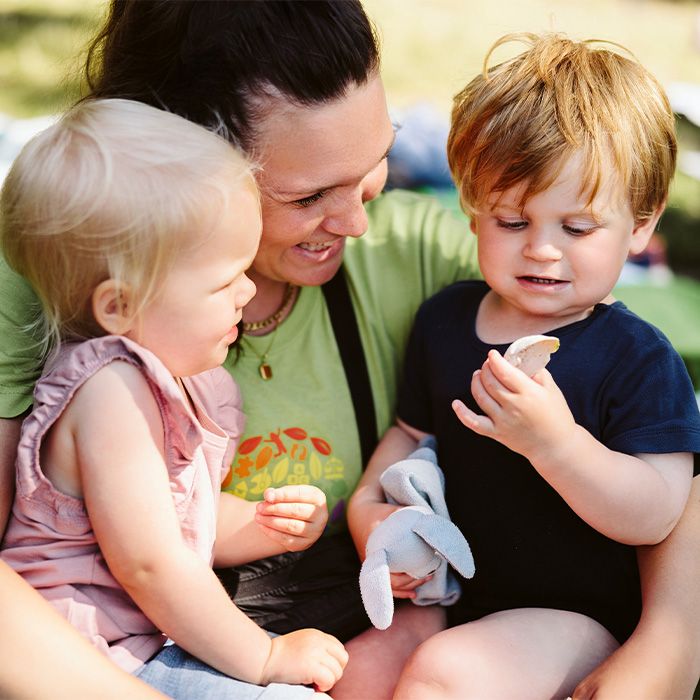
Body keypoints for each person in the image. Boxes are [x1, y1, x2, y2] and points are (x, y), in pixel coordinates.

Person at [0, 3, 699, 698]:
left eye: (374, 165)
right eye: (309, 195)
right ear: (181, 167)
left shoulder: (435, 257)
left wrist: (669, 642)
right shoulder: (46, 274)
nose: (358, 220)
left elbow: (656, 422)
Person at [349, 33, 700, 700]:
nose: (542, 251)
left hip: (577, 620)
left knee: (441, 680)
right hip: (458, 593)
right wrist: (372, 513)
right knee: (361, 676)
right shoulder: (445, 321)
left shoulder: (638, 359)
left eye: (576, 229)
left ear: (642, 228)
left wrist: (555, 444)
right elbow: (410, 435)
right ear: (472, 210)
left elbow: (657, 512)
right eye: (512, 221)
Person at [0, 97, 347, 699]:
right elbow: (150, 563)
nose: (246, 292)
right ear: (120, 306)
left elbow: (185, 528)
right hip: (88, 653)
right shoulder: (112, 392)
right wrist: (264, 656)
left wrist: (262, 525)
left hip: (141, 643)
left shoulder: (177, 380)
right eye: (224, 280)